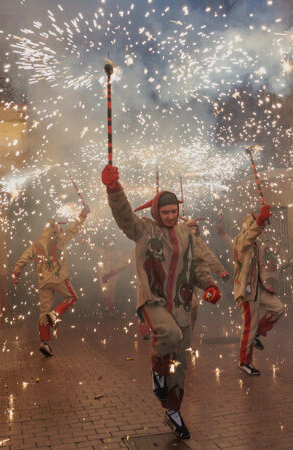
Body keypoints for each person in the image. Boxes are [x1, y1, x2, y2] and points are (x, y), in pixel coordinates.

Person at [102, 164, 221, 440]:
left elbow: (198, 265)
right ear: (156, 212)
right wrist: (114, 190)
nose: (170, 216)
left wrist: (210, 284)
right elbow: (123, 216)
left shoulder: (186, 235)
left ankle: (173, 411)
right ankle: (156, 371)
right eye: (165, 212)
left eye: (174, 212)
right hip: (153, 300)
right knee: (168, 334)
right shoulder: (143, 229)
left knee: (180, 366)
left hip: (180, 305)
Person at [11, 204, 90, 357]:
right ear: (55, 230)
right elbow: (74, 230)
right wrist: (84, 213)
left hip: (43, 282)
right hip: (58, 278)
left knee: (43, 312)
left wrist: (16, 274)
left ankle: (44, 343)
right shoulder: (59, 240)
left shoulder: (36, 244)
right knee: (71, 297)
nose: (61, 230)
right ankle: (55, 314)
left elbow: (22, 259)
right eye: (59, 229)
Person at [233, 205, 285, 375]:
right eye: (258, 227)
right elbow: (248, 236)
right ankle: (244, 362)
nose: (261, 230)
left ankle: (258, 332)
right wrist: (259, 221)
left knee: (278, 308)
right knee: (249, 326)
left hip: (258, 288)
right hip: (247, 292)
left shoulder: (255, 245)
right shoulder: (241, 241)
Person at [183, 218, 229, 329]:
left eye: (195, 229)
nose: (193, 232)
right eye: (190, 229)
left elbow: (208, 256)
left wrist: (221, 270)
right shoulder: (177, 239)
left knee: (192, 306)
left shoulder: (198, 243)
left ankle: (188, 336)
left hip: (192, 280)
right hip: (176, 280)